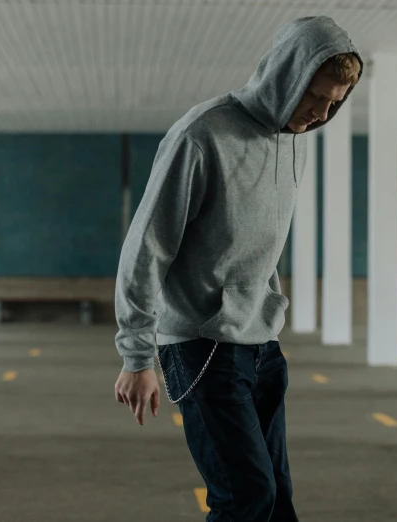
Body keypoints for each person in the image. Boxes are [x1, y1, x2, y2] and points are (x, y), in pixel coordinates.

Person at [114, 15, 362, 521]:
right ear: (285, 75)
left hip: (262, 346)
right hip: (201, 346)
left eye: (334, 103)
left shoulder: (294, 140)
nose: (320, 113)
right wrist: (136, 355)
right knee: (246, 499)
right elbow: (146, 246)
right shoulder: (202, 134)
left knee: (277, 503)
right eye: (313, 95)